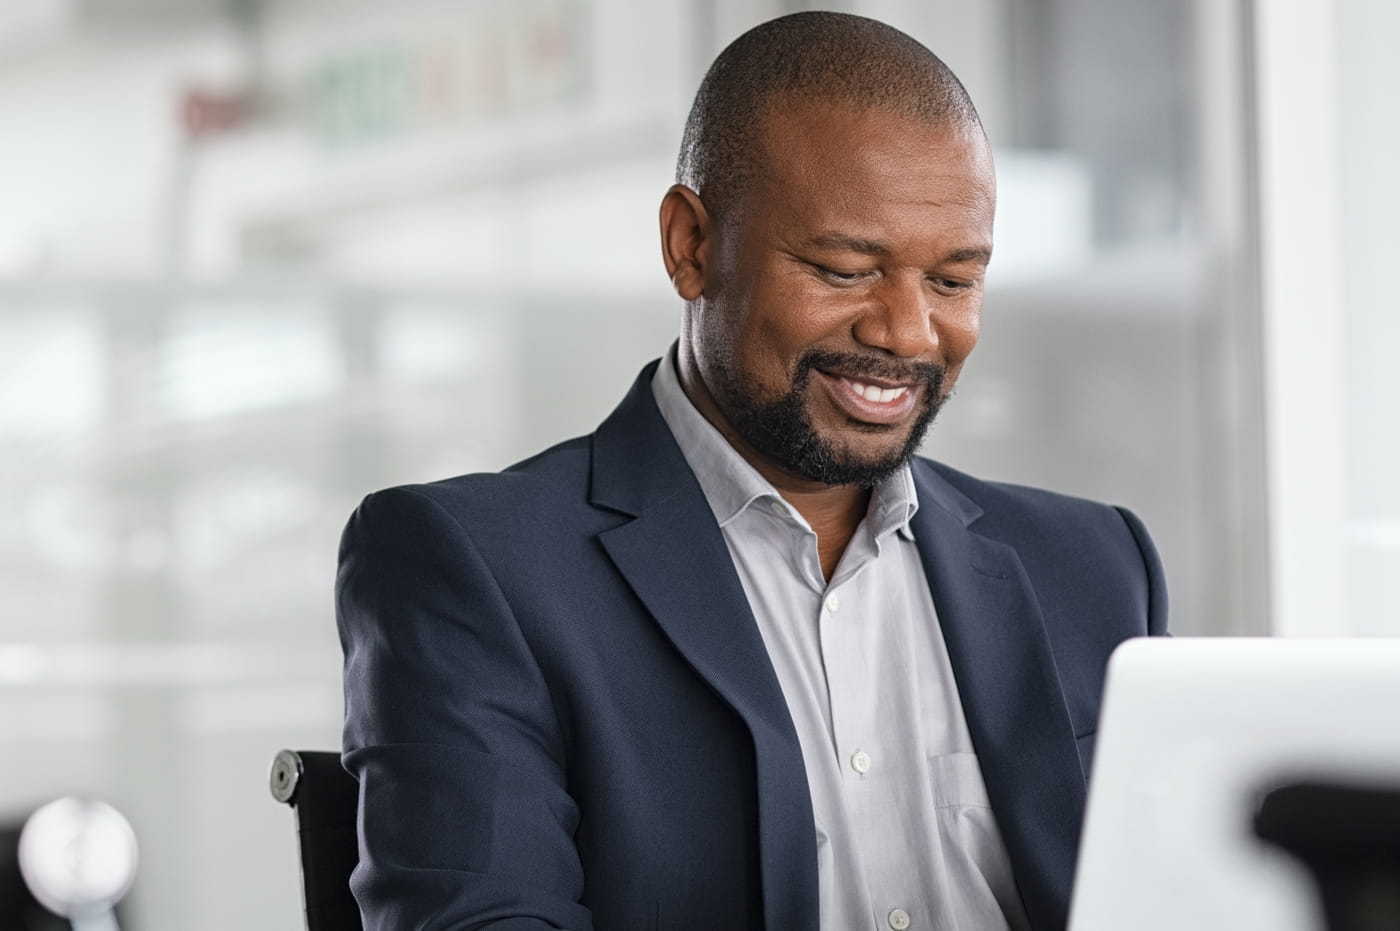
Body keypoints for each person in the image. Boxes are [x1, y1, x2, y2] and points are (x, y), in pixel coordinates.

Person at [336, 11, 1167, 931]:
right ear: (692, 245)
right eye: (845, 270)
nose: (906, 332)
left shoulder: (1092, 566)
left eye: (953, 281)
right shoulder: (477, 567)